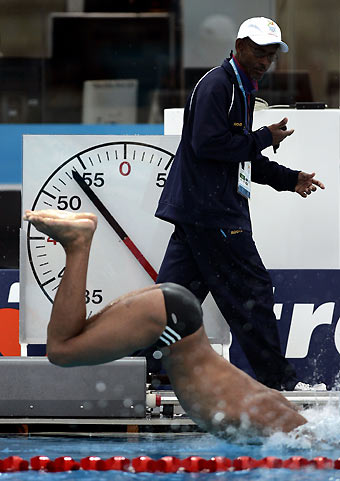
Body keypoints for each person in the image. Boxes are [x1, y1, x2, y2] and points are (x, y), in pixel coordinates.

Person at [23, 209, 306, 436]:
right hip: (172, 325)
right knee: (62, 350)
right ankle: (77, 244)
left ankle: (79, 239)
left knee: (68, 343)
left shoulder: (268, 406)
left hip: (174, 316)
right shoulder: (281, 426)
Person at [154, 17, 325, 391]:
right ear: (239, 45)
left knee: (173, 301)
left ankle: (141, 372)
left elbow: (238, 157)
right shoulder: (219, 85)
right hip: (212, 213)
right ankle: (275, 383)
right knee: (253, 292)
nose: (265, 60)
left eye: (271, 54)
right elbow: (209, 146)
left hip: (198, 212)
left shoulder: (240, 87)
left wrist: (289, 178)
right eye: (259, 51)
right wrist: (263, 136)